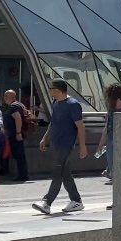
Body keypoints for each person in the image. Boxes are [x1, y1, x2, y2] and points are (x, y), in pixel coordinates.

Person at [32, 80, 87, 215]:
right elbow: (53, 123)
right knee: (65, 173)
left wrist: (82, 146)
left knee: (58, 172)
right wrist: (45, 138)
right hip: (56, 143)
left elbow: (80, 126)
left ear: (57, 90)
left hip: (66, 144)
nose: (49, 91)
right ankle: (76, 201)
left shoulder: (73, 105)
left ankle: (47, 202)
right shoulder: (56, 103)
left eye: (51, 88)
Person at [94, 83, 121, 183]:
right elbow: (106, 128)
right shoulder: (111, 110)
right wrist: (100, 146)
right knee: (114, 169)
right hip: (111, 141)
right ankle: (111, 172)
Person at [0, 89, 28, 182]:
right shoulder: (19, 105)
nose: (4, 98)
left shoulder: (13, 107)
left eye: (5, 96)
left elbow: (18, 119)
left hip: (16, 135)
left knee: (19, 155)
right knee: (19, 155)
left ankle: (22, 175)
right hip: (16, 134)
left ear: (9, 97)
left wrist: (18, 133)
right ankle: (22, 174)